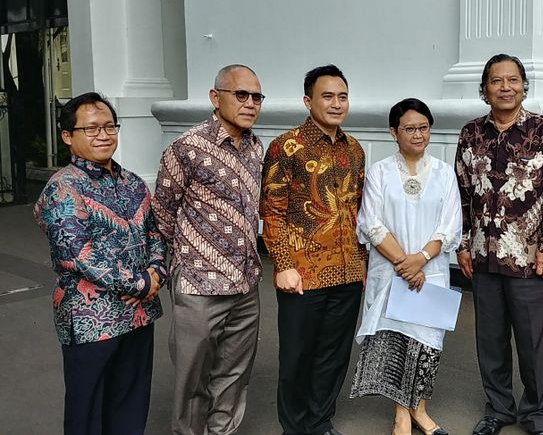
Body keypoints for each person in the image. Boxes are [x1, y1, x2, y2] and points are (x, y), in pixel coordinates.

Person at [34, 92, 167, 435]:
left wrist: (156, 274)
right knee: (88, 411)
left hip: (138, 315)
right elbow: (77, 254)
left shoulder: (133, 183)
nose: (104, 135)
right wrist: (139, 284)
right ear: (68, 136)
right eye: (91, 128)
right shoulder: (62, 188)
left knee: (130, 403)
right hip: (91, 321)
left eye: (109, 126)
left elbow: (155, 234)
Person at [455, 54, 543, 435]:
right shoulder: (470, 133)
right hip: (484, 256)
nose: (505, 87)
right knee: (490, 340)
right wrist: (463, 244)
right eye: (496, 80)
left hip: (529, 256)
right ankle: (499, 408)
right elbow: (462, 193)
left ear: (523, 86)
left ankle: (538, 413)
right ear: (484, 89)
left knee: (533, 341)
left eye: (513, 80)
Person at [152, 64, 265, 434]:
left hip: (246, 286)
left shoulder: (255, 146)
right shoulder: (185, 148)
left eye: (257, 97)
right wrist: (182, 265)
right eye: (241, 95)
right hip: (199, 286)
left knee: (234, 377)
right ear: (216, 98)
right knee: (192, 380)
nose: (250, 103)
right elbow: (163, 214)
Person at [261, 64, 367, 435]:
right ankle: (295, 428)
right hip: (301, 274)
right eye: (327, 96)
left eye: (342, 96)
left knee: (333, 357)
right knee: (296, 357)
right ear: (308, 101)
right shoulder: (285, 146)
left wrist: (363, 265)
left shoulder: (354, 150)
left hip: (349, 271)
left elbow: (357, 212)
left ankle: (321, 422)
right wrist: (283, 265)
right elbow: (272, 212)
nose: (336, 104)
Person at [350, 98, 462, 435]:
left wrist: (422, 260)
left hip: (431, 271)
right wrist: (404, 263)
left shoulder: (443, 173)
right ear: (393, 132)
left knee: (427, 344)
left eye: (423, 128)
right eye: (409, 128)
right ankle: (402, 413)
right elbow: (371, 223)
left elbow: (451, 225)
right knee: (397, 340)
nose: (418, 134)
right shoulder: (380, 172)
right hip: (392, 271)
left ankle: (421, 410)